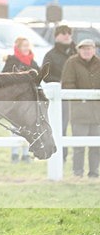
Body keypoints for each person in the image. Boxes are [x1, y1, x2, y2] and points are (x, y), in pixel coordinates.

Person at [61, 39, 100, 178]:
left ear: (94, 50)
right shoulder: (71, 63)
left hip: (97, 114)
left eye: (89, 48)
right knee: (78, 145)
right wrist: (82, 97)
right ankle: (77, 172)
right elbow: (66, 84)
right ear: (79, 50)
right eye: (83, 49)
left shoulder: (98, 63)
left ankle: (94, 172)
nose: (86, 51)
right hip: (79, 112)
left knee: (96, 146)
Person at [2, 37, 39, 162]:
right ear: (18, 47)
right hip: (14, 100)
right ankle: (14, 153)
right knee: (15, 127)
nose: (26, 48)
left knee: (28, 127)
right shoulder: (12, 61)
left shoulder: (32, 62)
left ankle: (26, 154)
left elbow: (38, 78)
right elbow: (3, 78)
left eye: (27, 46)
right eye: (23, 46)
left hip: (28, 100)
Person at [43, 25, 76, 161]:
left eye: (69, 32)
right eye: (63, 33)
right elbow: (45, 76)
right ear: (56, 36)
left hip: (78, 98)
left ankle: (78, 162)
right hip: (60, 98)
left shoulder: (77, 52)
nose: (66, 35)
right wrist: (61, 83)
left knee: (81, 129)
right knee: (60, 128)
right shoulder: (50, 55)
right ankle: (61, 157)